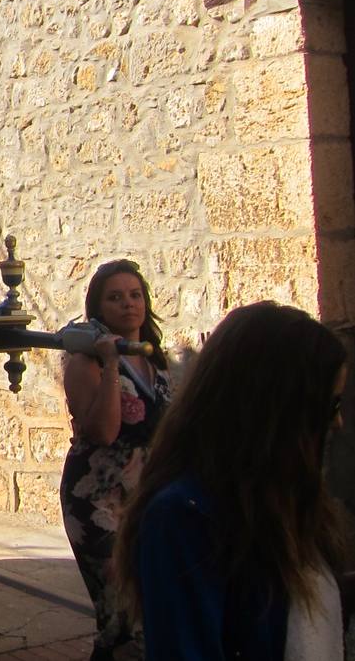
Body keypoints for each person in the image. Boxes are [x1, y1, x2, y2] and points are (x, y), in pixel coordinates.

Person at [114, 302, 349, 659]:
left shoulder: (280, 497)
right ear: (274, 412)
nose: (337, 424)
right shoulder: (185, 517)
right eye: (328, 407)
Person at [59, 259, 172, 660]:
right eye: (116, 297)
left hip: (145, 498)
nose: (129, 304)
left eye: (135, 295)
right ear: (99, 307)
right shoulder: (84, 363)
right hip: (98, 500)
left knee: (149, 607)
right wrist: (109, 363)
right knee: (119, 615)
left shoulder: (155, 359)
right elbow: (104, 432)